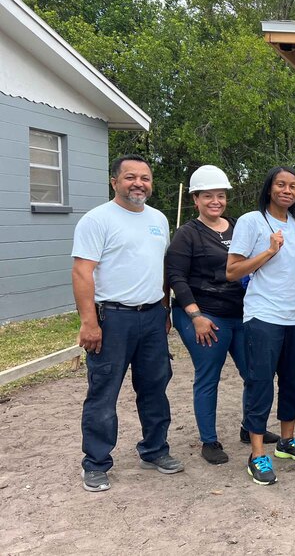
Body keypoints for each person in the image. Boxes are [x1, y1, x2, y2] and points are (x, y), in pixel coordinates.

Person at [73, 154, 183, 492]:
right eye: (130, 177)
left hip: (151, 317)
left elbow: (161, 269)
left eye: (145, 178)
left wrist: (164, 308)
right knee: (103, 393)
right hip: (112, 319)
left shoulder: (158, 220)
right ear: (114, 182)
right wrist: (89, 323)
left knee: (154, 389)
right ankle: (96, 462)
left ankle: (154, 449)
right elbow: (82, 271)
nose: (139, 183)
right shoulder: (97, 220)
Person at [167, 165, 277, 465]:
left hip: (241, 314)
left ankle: (249, 427)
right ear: (195, 199)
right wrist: (195, 316)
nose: (215, 201)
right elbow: (176, 277)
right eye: (207, 196)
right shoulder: (187, 234)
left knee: (255, 374)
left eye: (220, 195)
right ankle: (209, 440)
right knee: (208, 377)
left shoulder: (236, 226)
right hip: (205, 317)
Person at [226, 166, 295, 486]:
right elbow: (233, 271)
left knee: (292, 381)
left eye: (293, 186)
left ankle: (287, 442)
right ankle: (256, 453)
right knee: (260, 382)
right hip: (263, 315)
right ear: (269, 188)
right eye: (281, 184)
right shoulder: (252, 221)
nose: (287, 191)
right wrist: (268, 250)